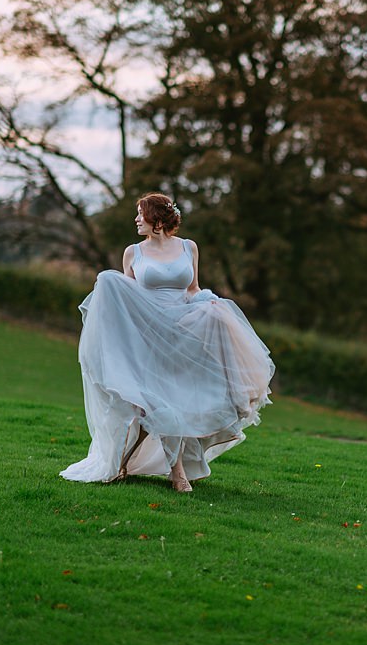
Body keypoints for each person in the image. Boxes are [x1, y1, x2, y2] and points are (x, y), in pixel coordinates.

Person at [60, 192, 274, 491]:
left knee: (180, 399)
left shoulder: (189, 247)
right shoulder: (133, 253)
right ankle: (176, 472)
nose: (136, 219)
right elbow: (130, 299)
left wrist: (208, 304)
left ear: (157, 218)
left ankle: (135, 464)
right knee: (156, 404)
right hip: (150, 332)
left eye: (140, 213)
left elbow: (192, 288)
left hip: (185, 329)